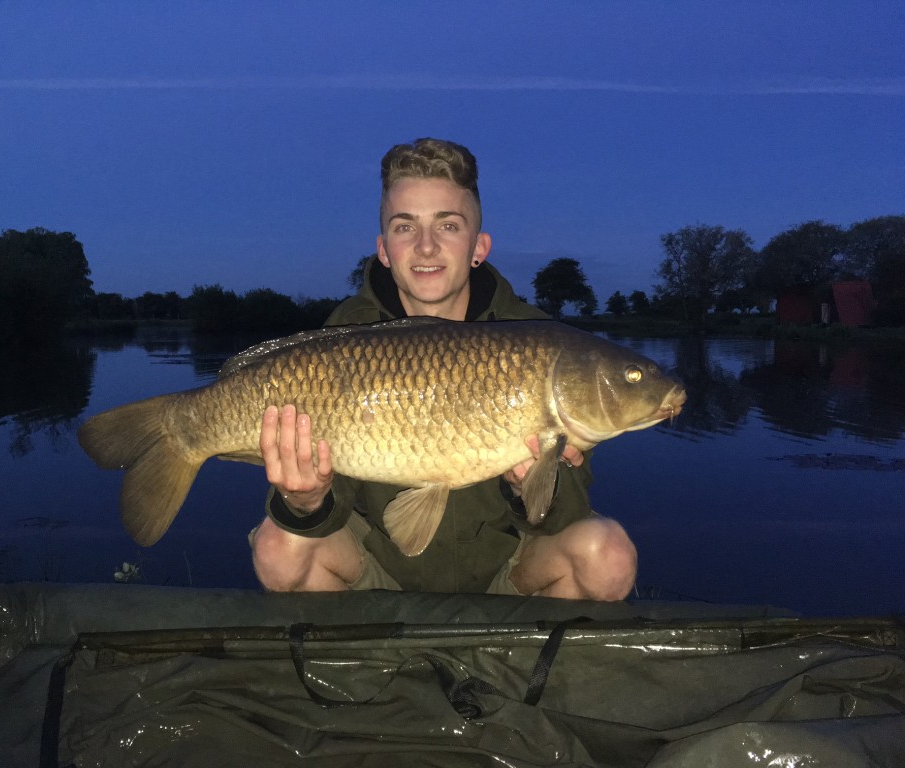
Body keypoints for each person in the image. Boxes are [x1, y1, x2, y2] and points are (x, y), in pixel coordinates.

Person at [249, 138, 636, 599]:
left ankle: (508, 648)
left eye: (448, 225)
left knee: (607, 555)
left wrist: (528, 488)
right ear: (384, 250)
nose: (426, 246)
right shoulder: (349, 335)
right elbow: (330, 503)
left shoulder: (539, 344)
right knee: (280, 548)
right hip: (378, 569)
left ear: (479, 247)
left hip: (503, 573)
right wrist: (305, 500)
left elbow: (561, 516)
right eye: (405, 227)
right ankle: (370, 644)